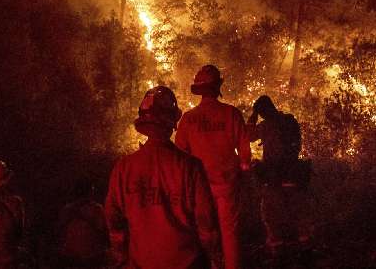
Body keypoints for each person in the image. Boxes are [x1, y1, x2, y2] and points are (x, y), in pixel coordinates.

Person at [105, 86, 222, 269]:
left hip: (140, 263)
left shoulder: (123, 168)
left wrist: (121, 254)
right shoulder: (190, 166)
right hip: (186, 263)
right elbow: (206, 221)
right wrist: (213, 257)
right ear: (172, 122)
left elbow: (113, 219)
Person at [175, 65, 251, 269]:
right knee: (230, 234)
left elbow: (179, 156)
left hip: (199, 189)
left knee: (202, 233)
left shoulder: (188, 119)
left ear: (199, 91)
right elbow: (244, 150)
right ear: (217, 87)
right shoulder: (231, 114)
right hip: (227, 184)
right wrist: (244, 172)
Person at [247, 95, 313, 256]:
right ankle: (305, 247)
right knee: (298, 211)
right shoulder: (290, 120)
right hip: (294, 172)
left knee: (270, 212)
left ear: (262, 112)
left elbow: (248, 136)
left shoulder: (266, 125)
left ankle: (278, 248)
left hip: (274, 174)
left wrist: (252, 117)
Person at [54, 178, 108, 268]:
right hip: (79, 257)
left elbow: (103, 231)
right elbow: (59, 230)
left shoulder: (95, 209)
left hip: (84, 256)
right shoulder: (94, 209)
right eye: (92, 190)